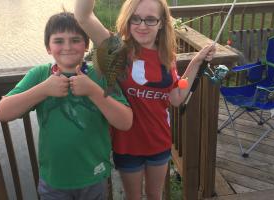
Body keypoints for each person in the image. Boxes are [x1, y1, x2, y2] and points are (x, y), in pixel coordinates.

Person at [75, 0, 215, 199]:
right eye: (136, 18)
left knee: (154, 194)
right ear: (128, 20)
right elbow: (83, 16)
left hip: (160, 143)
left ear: (161, 23)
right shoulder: (116, 50)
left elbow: (176, 97)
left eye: (150, 19)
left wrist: (196, 61)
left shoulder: (167, 57)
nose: (142, 25)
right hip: (127, 146)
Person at [0, 11, 133, 200]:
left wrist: (93, 91)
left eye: (75, 40)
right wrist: (43, 90)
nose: (67, 46)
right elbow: (2, 112)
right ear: (48, 47)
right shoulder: (40, 75)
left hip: (94, 177)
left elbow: (125, 122)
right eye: (58, 41)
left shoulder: (99, 75)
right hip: (54, 181)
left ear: (86, 45)